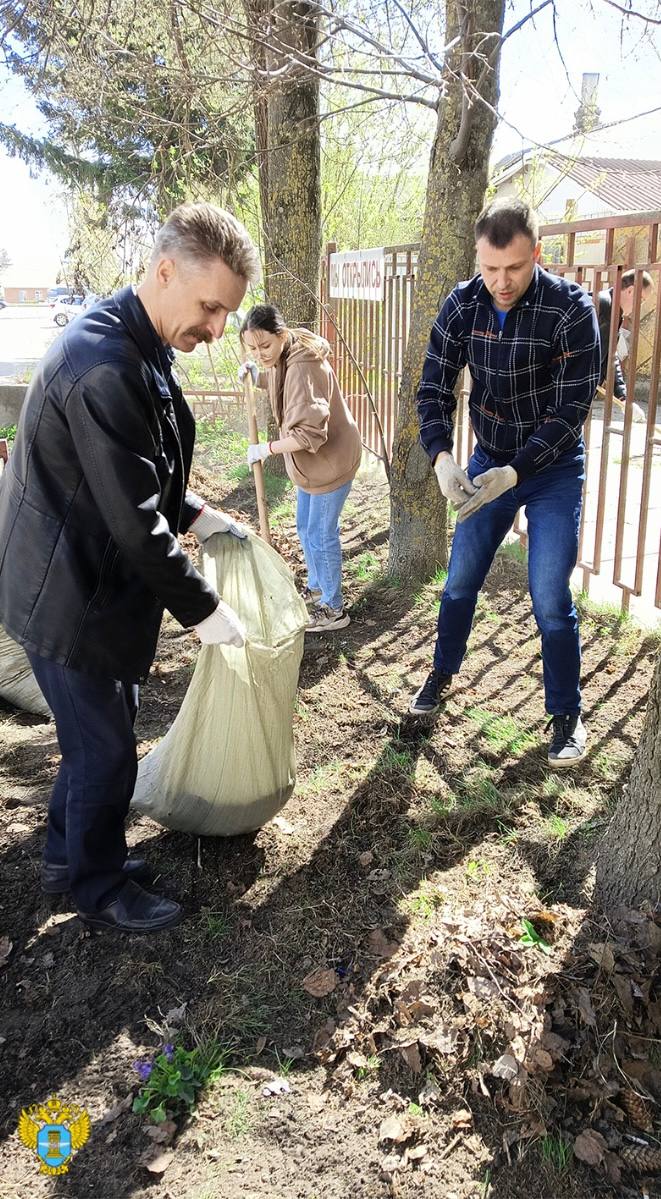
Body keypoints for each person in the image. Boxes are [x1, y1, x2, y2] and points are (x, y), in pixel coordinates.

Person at [0, 202, 261, 933]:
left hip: (83, 578)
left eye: (226, 314)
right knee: (107, 748)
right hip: (66, 594)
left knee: (98, 738)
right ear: (164, 270)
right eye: (211, 307)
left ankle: (65, 851)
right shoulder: (103, 363)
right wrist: (208, 613)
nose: (216, 330)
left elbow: (139, 470)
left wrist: (199, 512)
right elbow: (136, 523)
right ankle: (96, 883)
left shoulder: (134, 339)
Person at [409, 199, 601, 768]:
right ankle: (442, 674)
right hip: (485, 458)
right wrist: (443, 460)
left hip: (552, 470)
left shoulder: (570, 309)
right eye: (490, 269)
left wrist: (516, 473)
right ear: (478, 257)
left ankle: (566, 713)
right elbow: (433, 390)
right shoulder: (462, 305)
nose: (501, 282)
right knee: (460, 578)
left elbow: (572, 408)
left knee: (548, 594)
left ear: (536, 254)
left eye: (513, 268)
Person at [238, 304, 362, 632]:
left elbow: (308, 434)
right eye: (251, 348)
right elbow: (280, 381)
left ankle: (334, 609)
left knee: (322, 535)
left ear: (281, 335)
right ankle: (319, 589)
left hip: (330, 463)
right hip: (312, 467)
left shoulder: (304, 367)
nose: (259, 353)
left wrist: (267, 449)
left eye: (264, 346)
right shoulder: (285, 353)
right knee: (305, 527)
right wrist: (257, 375)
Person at [596, 268, 653, 422]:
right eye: (641, 300)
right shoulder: (603, 305)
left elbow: (610, 356)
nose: (639, 307)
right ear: (630, 291)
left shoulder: (614, 311)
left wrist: (623, 398)